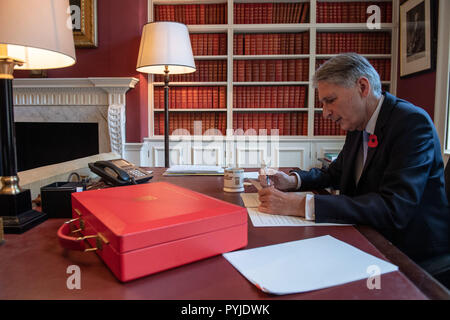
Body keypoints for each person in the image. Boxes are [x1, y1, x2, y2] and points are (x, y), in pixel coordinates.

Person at [258, 53, 449, 265]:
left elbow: (394, 208)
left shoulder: (411, 123)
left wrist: (301, 204)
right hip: (365, 236)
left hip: (410, 254)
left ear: (363, 87)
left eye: (330, 100)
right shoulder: (358, 124)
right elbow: (334, 173)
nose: (325, 113)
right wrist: (292, 181)